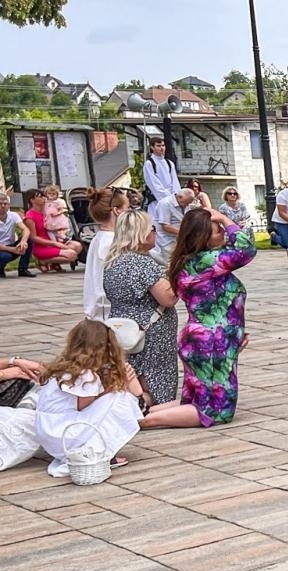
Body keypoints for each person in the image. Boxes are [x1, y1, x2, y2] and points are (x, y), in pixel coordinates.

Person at [165, 207, 255, 428]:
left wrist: (234, 335)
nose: (224, 232)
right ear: (202, 237)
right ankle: (141, 421)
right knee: (215, 412)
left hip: (209, 341)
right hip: (210, 344)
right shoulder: (205, 261)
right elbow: (246, 249)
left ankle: (140, 414)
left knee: (197, 401)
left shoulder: (197, 262)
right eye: (218, 230)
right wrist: (225, 217)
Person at [33, 319, 146, 475]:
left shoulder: (66, 367)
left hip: (50, 432)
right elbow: (84, 407)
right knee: (120, 399)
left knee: (115, 396)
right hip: (62, 434)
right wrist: (126, 385)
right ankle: (96, 453)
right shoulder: (85, 374)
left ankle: (92, 450)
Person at [102, 211, 181, 409]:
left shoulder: (114, 261)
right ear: (141, 233)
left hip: (125, 331)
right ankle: (138, 409)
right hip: (150, 335)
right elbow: (168, 297)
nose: (155, 233)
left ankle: (123, 405)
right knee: (151, 386)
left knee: (130, 375)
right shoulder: (142, 263)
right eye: (152, 229)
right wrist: (177, 275)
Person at [83, 188, 128, 320]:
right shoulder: (110, 242)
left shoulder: (100, 238)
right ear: (117, 210)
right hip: (107, 313)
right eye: (127, 208)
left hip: (102, 310)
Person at [23, 189, 82, 271]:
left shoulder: (46, 211)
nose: (43, 198)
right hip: (42, 247)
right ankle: (43, 261)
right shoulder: (30, 216)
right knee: (72, 255)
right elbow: (33, 237)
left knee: (77, 246)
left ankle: (54, 263)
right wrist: (54, 243)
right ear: (32, 200)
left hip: (55, 240)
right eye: (40, 197)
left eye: (43, 196)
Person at [152, 187, 198, 261]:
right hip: (167, 239)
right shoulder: (165, 203)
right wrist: (185, 233)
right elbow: (166, 226)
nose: (187, 205)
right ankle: (149, 253)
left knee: (180, 261)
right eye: (186, 203)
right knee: (169, 261)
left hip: (179, 239)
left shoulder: (185, 203)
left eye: (188, 204)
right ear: (180, 197)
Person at [0, 193, 34, 278]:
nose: (3, 206)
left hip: (11, 246)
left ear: (9, 205)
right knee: (5, 256)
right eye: (0, 204)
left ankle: (23, 269)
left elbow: (25, 229)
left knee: (29, 240)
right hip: (3, 249)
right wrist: (12, 250)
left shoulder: (13, 215)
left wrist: (23, 242)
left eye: (5, 204)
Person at [143, 136, 179, 209]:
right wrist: (168, 198)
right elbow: (154, 184)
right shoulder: (149, 164)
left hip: (173, 200)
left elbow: (175, 182)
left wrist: (176, 196)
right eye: (158, 146)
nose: (162, 148)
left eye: (163, 145)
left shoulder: (169, 163)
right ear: (152, 147)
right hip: (157, 201)